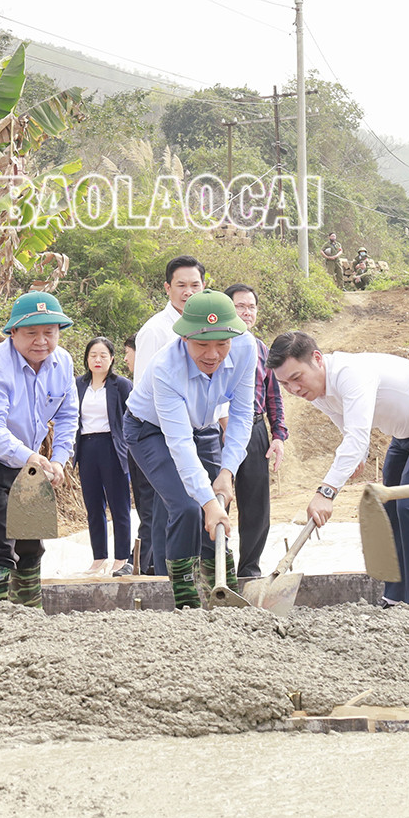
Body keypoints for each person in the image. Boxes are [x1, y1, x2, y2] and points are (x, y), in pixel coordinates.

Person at [271, 331, 409, 606]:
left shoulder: (350, 373)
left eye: (296, 378)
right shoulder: (316, 390)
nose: (293, 389)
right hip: (404, 435)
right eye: (284, 384)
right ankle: (395, 597)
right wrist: (359, 454)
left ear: (317, 359)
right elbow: (345, 423)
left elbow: (356, 437)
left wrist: (326, 493)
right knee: (388, 509)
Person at [124, 290, 256, 608]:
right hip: (149, 430)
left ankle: (223, 587)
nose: (212, 354)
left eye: (221, 344)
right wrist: (207, 502)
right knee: (186, 506)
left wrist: (227, 472)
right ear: (184, 339)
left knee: (216, 505)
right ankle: (186, 598)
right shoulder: (165, 369)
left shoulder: (246, 347)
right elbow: (179, 443)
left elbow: (241, 414)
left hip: (201, 425)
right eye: (202, 345)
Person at [0, 292, 77, 606]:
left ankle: (28, 610)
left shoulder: (62, 363)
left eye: (49, 332)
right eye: (31, 333)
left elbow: (67, 415)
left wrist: (60, 459)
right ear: (12, 333)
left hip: (30, 463)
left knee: (31, 544)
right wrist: (31, 457)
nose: (41, 341)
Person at [130, 256, 206, 576]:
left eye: (195, 285)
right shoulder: (155, 331)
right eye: (181, 286)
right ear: (167, 288)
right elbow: (145, 394)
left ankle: (186, 571)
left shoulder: (207, 326)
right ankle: (165, 576)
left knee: (186, 503)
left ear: (205, 286)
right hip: (157, 430)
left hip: (192, 428)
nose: (188, 292)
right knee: (171, 506)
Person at [222, 283, 287, 578]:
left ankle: (249, 570)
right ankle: (215, 566)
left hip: (254, 428)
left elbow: (273, 394)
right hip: (217, 431)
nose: (247, 313)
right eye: (240, 307)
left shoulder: (261, 349)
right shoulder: (212, 344)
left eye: (251, 307)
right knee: (214, 498)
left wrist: (277, 436)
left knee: (256, 507)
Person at [74, 336, 134, 577]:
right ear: (87, 359)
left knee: (119, 506)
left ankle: (122, 558)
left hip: (113, 447)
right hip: (87, 447)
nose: (97, 360)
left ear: (112, 359)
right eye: (93, 355)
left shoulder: (121, 385)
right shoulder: (78, 385)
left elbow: (132, 418)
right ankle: (99, 557)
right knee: (93, 505)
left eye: (103, 356)